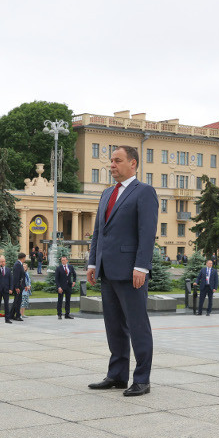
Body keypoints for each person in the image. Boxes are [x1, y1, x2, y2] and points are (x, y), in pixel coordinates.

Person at [86, 145, 158, 397]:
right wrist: (93, 263)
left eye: (117, 160)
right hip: (107, 270)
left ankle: (142, 379)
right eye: (111, 161)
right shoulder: (107, 193)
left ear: (133, 164)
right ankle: (117, 375)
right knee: (114, 326)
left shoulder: (144, 192)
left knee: (137, 326)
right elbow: (98, 232)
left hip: (131, 272)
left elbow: (147, 233)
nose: (112, 165)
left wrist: (141, 266)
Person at [55, 255, 77, 319]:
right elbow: (56, 279)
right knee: (60, 300)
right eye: (62, 260)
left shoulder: (70, 267)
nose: (63, 261)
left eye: (64, 260)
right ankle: (59, 314)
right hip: (61, 287)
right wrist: (59, 287)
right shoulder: (59, 268)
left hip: (68, 286)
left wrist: (74, 281)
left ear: (67, 260)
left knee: (68, 300)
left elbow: (74, 274)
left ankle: (67, 314)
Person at [10, 253, 28, 321]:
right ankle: (17, 316)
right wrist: (17, 287)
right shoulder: (17, 264)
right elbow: (16, 277)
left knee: (17, 301)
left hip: (20, 286)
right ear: (23, 258)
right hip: (18, 287)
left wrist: (25, 285)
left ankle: (11, 315)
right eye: (25, 258)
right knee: (17, 302)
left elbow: (22, 276)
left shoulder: (19, 264)